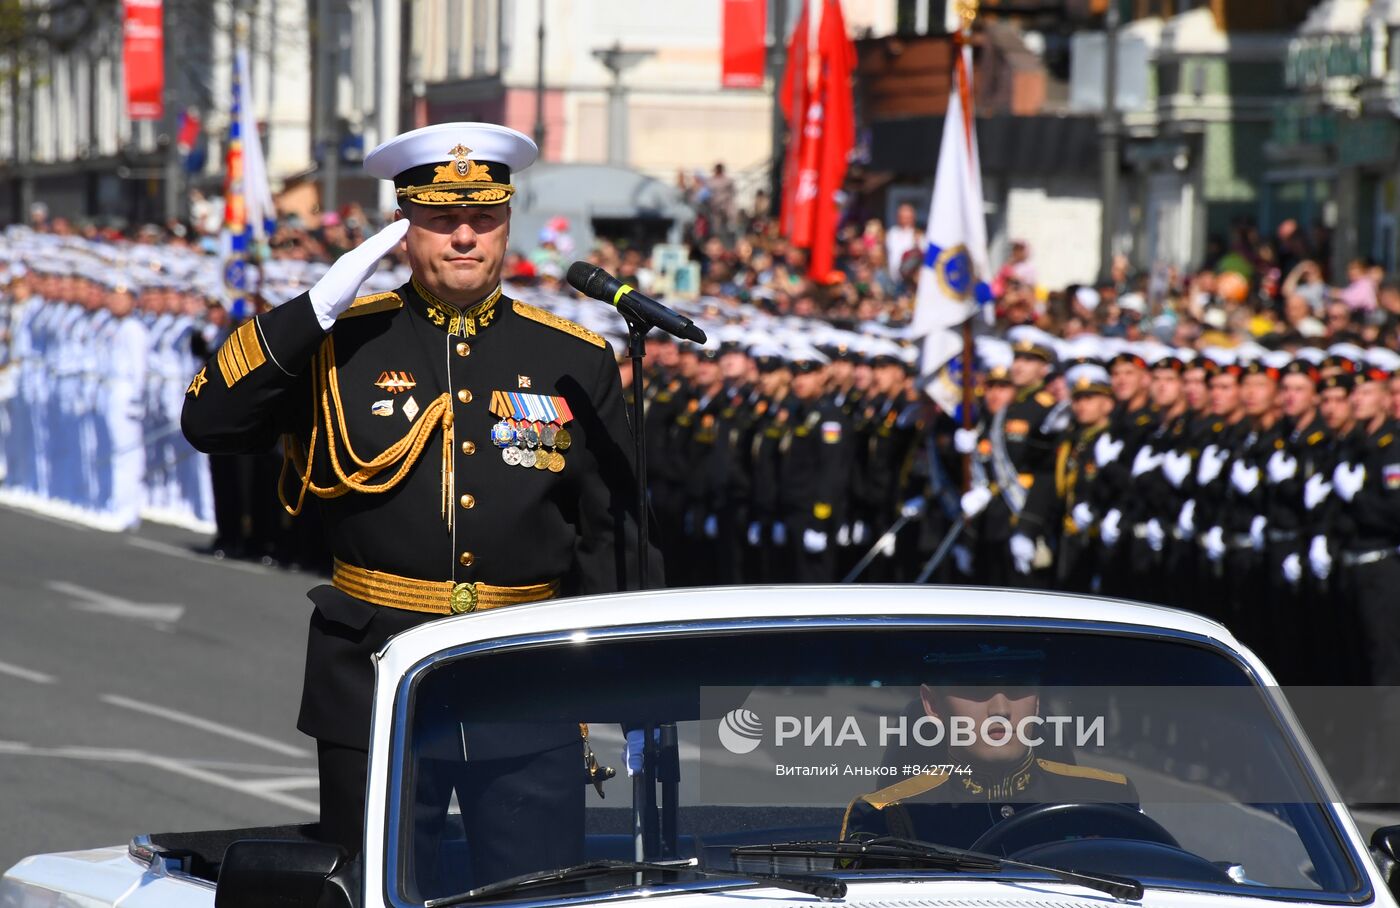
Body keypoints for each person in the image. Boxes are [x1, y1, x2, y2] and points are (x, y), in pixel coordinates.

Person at [181, 122, 660, 891]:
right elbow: (210, 423)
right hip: (374, 677)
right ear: (404, 226)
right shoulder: (342, 342)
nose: (465, 236)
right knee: (376, 891)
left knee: (539, 897)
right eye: (441, 219)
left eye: (484, 218)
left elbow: (615, 532)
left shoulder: (571, 357)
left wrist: (641, 681)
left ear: (508, 221)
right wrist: (313, 310)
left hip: (525, 680)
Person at [841, 643, 1137, 851]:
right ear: (932, 704)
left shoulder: (1110, 799)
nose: (1001, 709)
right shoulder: (891, 817)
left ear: (1036, 701)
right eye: (975, 689)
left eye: (1018, 688)